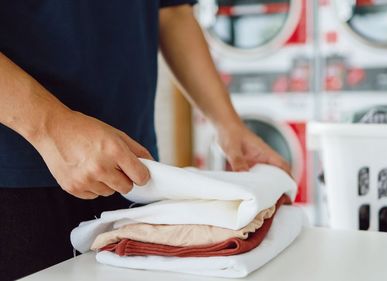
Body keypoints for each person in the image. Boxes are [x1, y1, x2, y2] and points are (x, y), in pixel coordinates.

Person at [0, 1, 290, 279]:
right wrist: (51, 127)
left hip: (135, 173)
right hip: (18, 174)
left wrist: (228, 124)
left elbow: (172, 13)